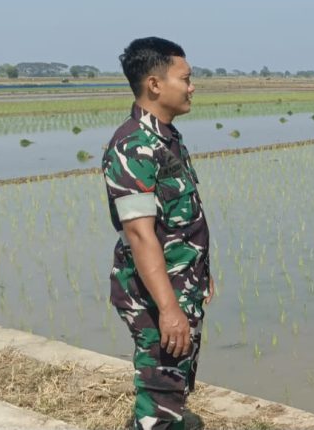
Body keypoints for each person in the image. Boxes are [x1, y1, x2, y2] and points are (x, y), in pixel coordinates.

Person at [103, 37, 213, 430]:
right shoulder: (133, 146)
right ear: (154, 84)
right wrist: (168, 309)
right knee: (160, 392)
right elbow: (139, 235)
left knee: (172, 386)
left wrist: (200, 274)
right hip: (154, 295)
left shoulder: (166, 138)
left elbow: (179, 218)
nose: (191, 86)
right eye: (185, 78)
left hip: (180, 284)